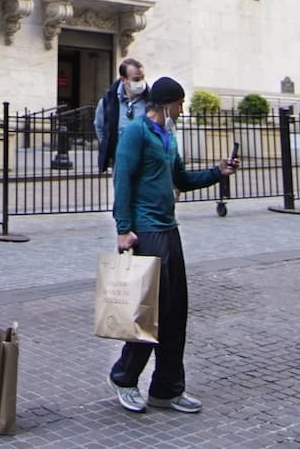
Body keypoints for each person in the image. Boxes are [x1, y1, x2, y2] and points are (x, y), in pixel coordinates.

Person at [108, 76, 236, 415]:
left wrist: (217, 172)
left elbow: (180, 179)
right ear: (165, 104)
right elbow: (122, 179)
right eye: (179, 103)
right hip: (146, 231)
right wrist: (123, 229)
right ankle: (124, 378)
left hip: (169, 228)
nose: (182, 109)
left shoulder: (168, 136)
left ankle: (167, 387)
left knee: (175, 311)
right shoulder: (137, 132)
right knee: (149, 312)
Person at [95, 57, 148, 173]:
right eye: (136, 79)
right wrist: (108, 147)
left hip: (146, 162)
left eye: (143, 77)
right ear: (124, 80)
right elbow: (99, 126)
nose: (141, 82)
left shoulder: (150, 100)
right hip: (120, 163)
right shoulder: (107, 101)